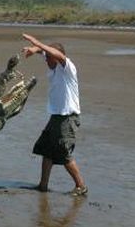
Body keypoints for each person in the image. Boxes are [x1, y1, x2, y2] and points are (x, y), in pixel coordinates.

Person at [22, 33, 87, 196]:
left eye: (48, 58)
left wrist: (38, 42)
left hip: (68, 118)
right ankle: (43, 185)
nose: (46, 60)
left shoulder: (68, 68)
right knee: (46, 150)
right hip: (56, 116)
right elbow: (45, 52)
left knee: (63, 152)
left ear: (56, 58)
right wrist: (33, 48)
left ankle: (81, 186)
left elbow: (57, 54)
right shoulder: (54, 64)